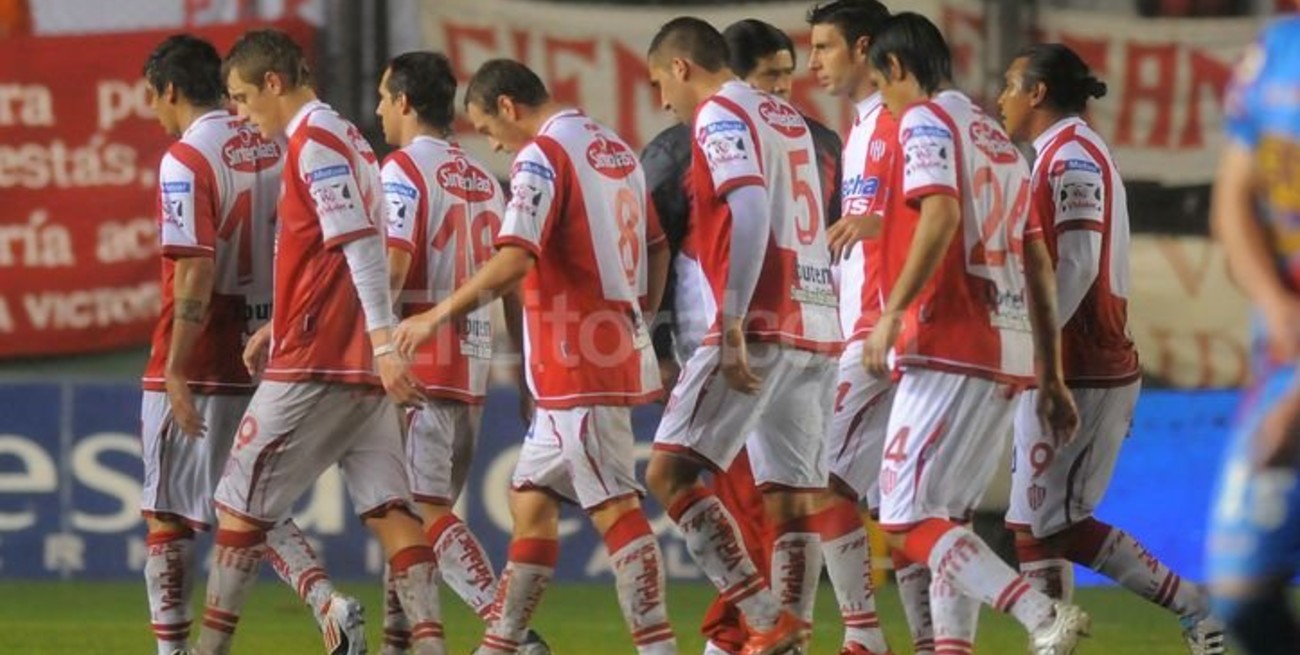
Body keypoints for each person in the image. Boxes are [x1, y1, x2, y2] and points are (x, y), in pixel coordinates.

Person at [394, 58, 675, 655]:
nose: (491, 143)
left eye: (488, 127)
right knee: (530, 498)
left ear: (508, 107)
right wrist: (633, 322)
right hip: (590, 353)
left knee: (616, 508)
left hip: (576, 358)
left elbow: (516, 259)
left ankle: (659, 647)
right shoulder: (616, 149)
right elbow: (655, 245)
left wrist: (435, 315)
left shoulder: (542, 155)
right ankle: (504, 644)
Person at [195, 28, 446, 655]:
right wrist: (283, 322)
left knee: (236, 501)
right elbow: (330, 255)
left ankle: (211, 647)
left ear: (273, 83)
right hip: (350, 360)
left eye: (243, 97)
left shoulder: (315, 142)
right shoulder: (347, 138)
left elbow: (361, 247)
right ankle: (433, 647)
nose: (239, 112)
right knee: (393, 512)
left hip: (321, 363)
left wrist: (386, 345)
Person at [861, 13, 1090, 655]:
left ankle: (1039, 613)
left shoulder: (924, 121)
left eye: (881, 86)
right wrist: (1049, 373)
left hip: (948, 341)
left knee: (905, 516)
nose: (883, 102)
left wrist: (889, 311)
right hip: (1006, 346)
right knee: (947, 519)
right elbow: (1039, 265)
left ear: (899, 71)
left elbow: (940, 214)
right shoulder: (1004, 145)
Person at [998, 43, 1227, 655]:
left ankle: (1196, 609)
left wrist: (1031, 348)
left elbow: (1074, 264)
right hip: (1066, 363)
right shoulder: (1058, 154)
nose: (1001, 99)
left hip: (1082, 368)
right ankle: (1058, 638)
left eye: (1009, 85)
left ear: (1037, 92)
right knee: (1037, 525)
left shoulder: (1072, 158)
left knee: (1048, 526)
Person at [636, 16, 847, 655]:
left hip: (759, 322)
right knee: (791, 502)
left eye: (659, 82)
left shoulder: (720, 115)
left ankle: (764, 614)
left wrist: (730, 318)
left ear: (680, 67)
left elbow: (751, 209)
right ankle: (793, 635)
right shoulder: (790, 121)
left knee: (669, 475)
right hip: (816, 325)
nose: (662, 101)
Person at [139, 33, 355, 655]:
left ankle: (174, 650)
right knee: (244, 498)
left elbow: (195, 268)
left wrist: (176, 365)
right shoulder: (268, 142)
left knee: (167, 513)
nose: (152, 109)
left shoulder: (185, 158)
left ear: (170, 91)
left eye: (151, 97)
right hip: (267, 345)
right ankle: (325, 599)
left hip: (202, 349)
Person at [374, 51, 551, 655]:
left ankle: (512, 631)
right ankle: (399, 641)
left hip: (417, 361)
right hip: (472, 367)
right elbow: (511, 282)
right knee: (412, 519)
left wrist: (374, 344)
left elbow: (394, 265)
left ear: (403, 102)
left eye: (381, 98)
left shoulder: (400, 171)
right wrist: (525, 372)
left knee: (418, 514)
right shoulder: (483, 178)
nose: (376, 110)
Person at [804, 2, 923, 654]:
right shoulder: (863, 127)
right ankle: (928, 641)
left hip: (881, 335)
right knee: (896, 504)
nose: (814, 61)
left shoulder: (892, 125)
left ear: (865, 48)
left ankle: (863, 634)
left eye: (824, 47)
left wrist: (882, 320)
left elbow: (925, 215)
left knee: (820, 474)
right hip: (873, 327)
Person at [1206, 11, 1300, 654]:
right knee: (1238, 593)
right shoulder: (1277, 51)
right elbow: (1233, 198)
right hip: (1284, 356)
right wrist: (1275, 304)